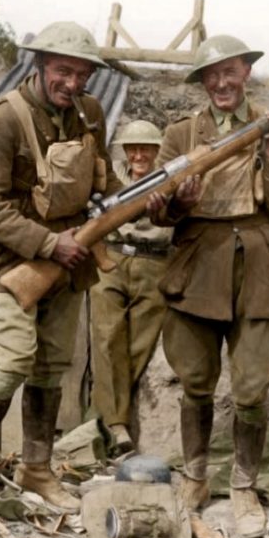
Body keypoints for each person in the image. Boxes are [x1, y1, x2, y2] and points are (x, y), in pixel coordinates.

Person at [0, 21, 123, 517]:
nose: (73, 83)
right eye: (63, 71)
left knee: (51, 366)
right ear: (39, 65)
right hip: (9, 264)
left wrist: (145, 197)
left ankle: (37, 469)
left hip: (68, 263)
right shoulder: (1, 119)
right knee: (16, 359)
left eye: (82, 74)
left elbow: (105, 181)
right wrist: (48, 243)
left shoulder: (90, 113)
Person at [146, 35, 269, 538]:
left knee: (253, 386)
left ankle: (243, 486)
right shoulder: (180, 133)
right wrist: (180, 203)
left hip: (257, 259)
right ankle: (194, 477)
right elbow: (159, 211)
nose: (220, 83)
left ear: (246, 73)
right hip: (197, 264)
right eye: (210, 75)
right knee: (195, 378)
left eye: (229, 71)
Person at [89, 120, 172, 453]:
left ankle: (102, 418)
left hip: (154, 263)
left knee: (140, 343)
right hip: (112, 257)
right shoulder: (111, 179)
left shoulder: (170, 178)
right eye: (133, 149)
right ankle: (117, 426)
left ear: (157, 150)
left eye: (146, 149)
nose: (139, 155)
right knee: (109, 337)